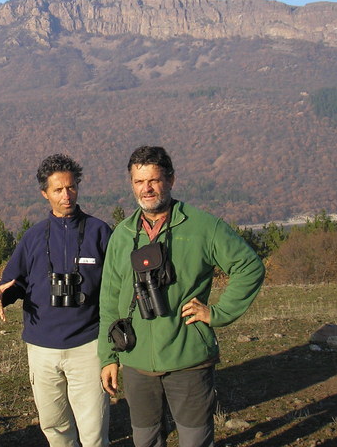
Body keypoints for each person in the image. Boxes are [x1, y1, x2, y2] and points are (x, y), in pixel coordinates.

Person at [98, 146, 265, 447]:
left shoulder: (202, 227)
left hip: (188, 358)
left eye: (154, 180)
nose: (146, 188)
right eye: (139, 182)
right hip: (136, 360)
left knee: (195, 439)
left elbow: (249, 266)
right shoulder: (122, 235)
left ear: (171, 180)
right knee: (146, 439)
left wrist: (218, 313)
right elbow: (109, 301)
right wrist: (108, 356)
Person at [0, 154, 112, 447]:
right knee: (54, 426)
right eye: (58, 190)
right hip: (42, 347)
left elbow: (117, 285)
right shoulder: (33, 238)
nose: (66, 195)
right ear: (45, 193)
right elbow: (13, 282)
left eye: (71, 187)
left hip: (88, 343)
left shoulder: (100, 232)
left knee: (94, 426)